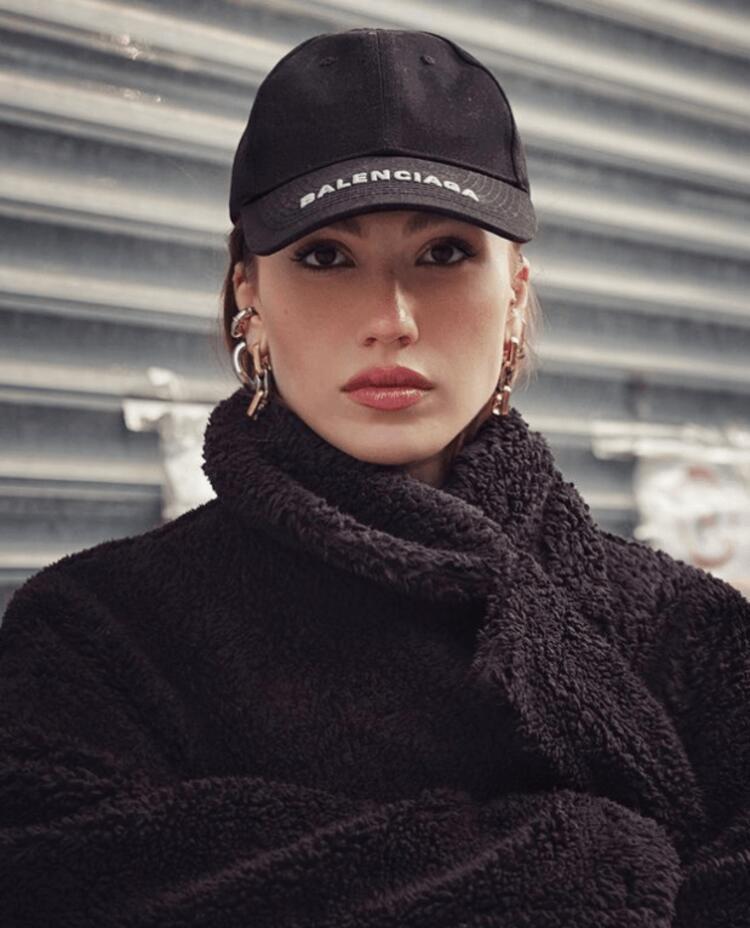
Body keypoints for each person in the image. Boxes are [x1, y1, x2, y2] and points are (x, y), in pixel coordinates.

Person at [0, 27, 748, 928]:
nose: (391, 318)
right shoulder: (96, 636)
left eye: (444, 253)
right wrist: (577, 865)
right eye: (325, 256)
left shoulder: (691, 633)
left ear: (514, 295)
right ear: (250, 297)